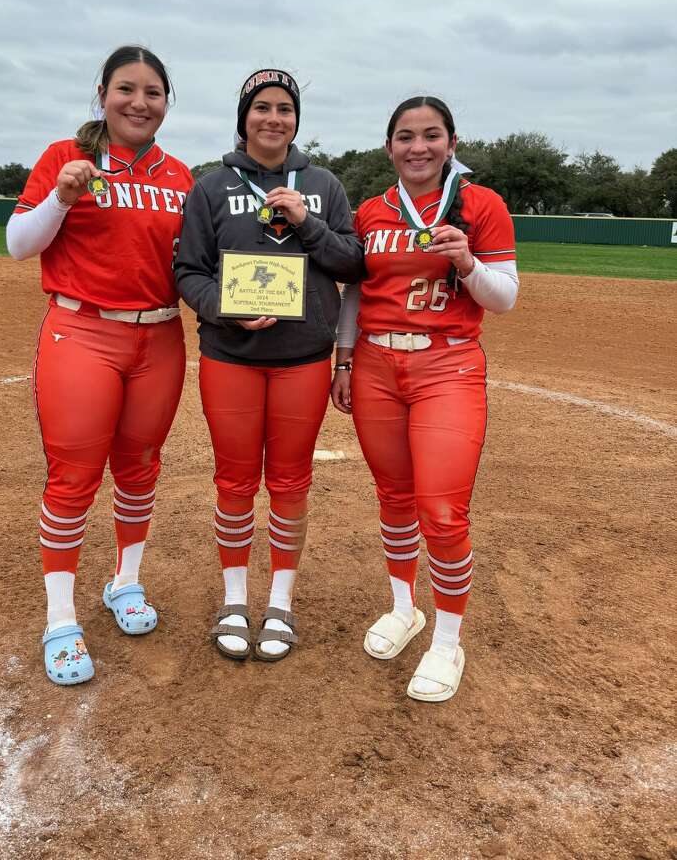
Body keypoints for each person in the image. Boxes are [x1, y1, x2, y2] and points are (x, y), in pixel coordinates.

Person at [6, 45, 193, 686]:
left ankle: (126, 581)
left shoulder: (181, 177)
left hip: (160, 338)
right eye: (127, 89)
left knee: (139, 467)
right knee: (74, 476)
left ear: (167, 103)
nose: (140, 103)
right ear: (103, 94)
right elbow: (17, 243)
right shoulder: (68, 158)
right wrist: (60, 197)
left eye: (153, 93)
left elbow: (196, 267)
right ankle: (61, 619)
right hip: (82, 331)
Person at [331, 95, 518, 702]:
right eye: (406, 137)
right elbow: (357, 293)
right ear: (389, 148)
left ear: (451, 142)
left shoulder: (481, 206)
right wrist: (345, 356)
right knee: (394, 496)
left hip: (448, 365)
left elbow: (504, 297)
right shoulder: (371, 212)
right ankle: (404, 606)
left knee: (441, 510)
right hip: (378, 365)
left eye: (431, 135)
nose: (418, 147)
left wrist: (467, 262)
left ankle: (447, 639)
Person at [174, 69, 365, 662]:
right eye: (262, 108)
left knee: (288, 483)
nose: (273, 118)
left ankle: (279, 601)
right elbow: (189, 273)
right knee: (233, 482)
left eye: (285, 108)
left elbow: (352, 262)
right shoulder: (211, 186)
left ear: (296, 120)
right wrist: (224, 312)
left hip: (303, 358)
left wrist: (307, 222)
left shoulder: (324, 184)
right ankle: (235, 597)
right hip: (231, 356)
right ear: (244, 117)